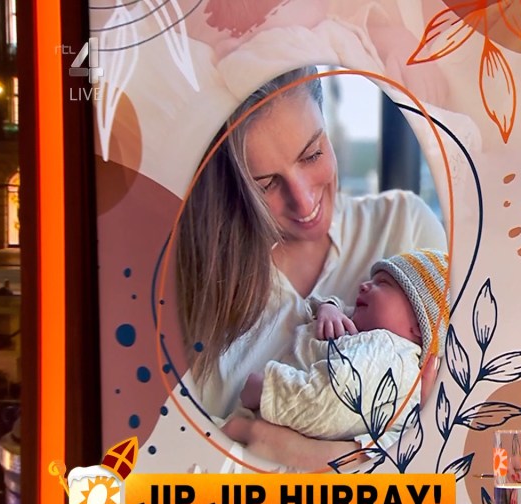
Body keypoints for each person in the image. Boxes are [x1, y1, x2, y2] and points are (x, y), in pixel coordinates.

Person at [175, 67, 446, 466]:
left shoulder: (407, 231)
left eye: (312, 154)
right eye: (266, 183)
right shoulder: (203, 291)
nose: (304, 202)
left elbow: (441, 452)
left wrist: (287, 448)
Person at [238, 249, 448, 444]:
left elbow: (327, 401)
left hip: (269, 427)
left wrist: (266, 390)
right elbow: (328, 307)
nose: (363, 285)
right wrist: (329, 308)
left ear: (420, 325)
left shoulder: (390, 353)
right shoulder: (369, 331)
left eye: (383, 283)